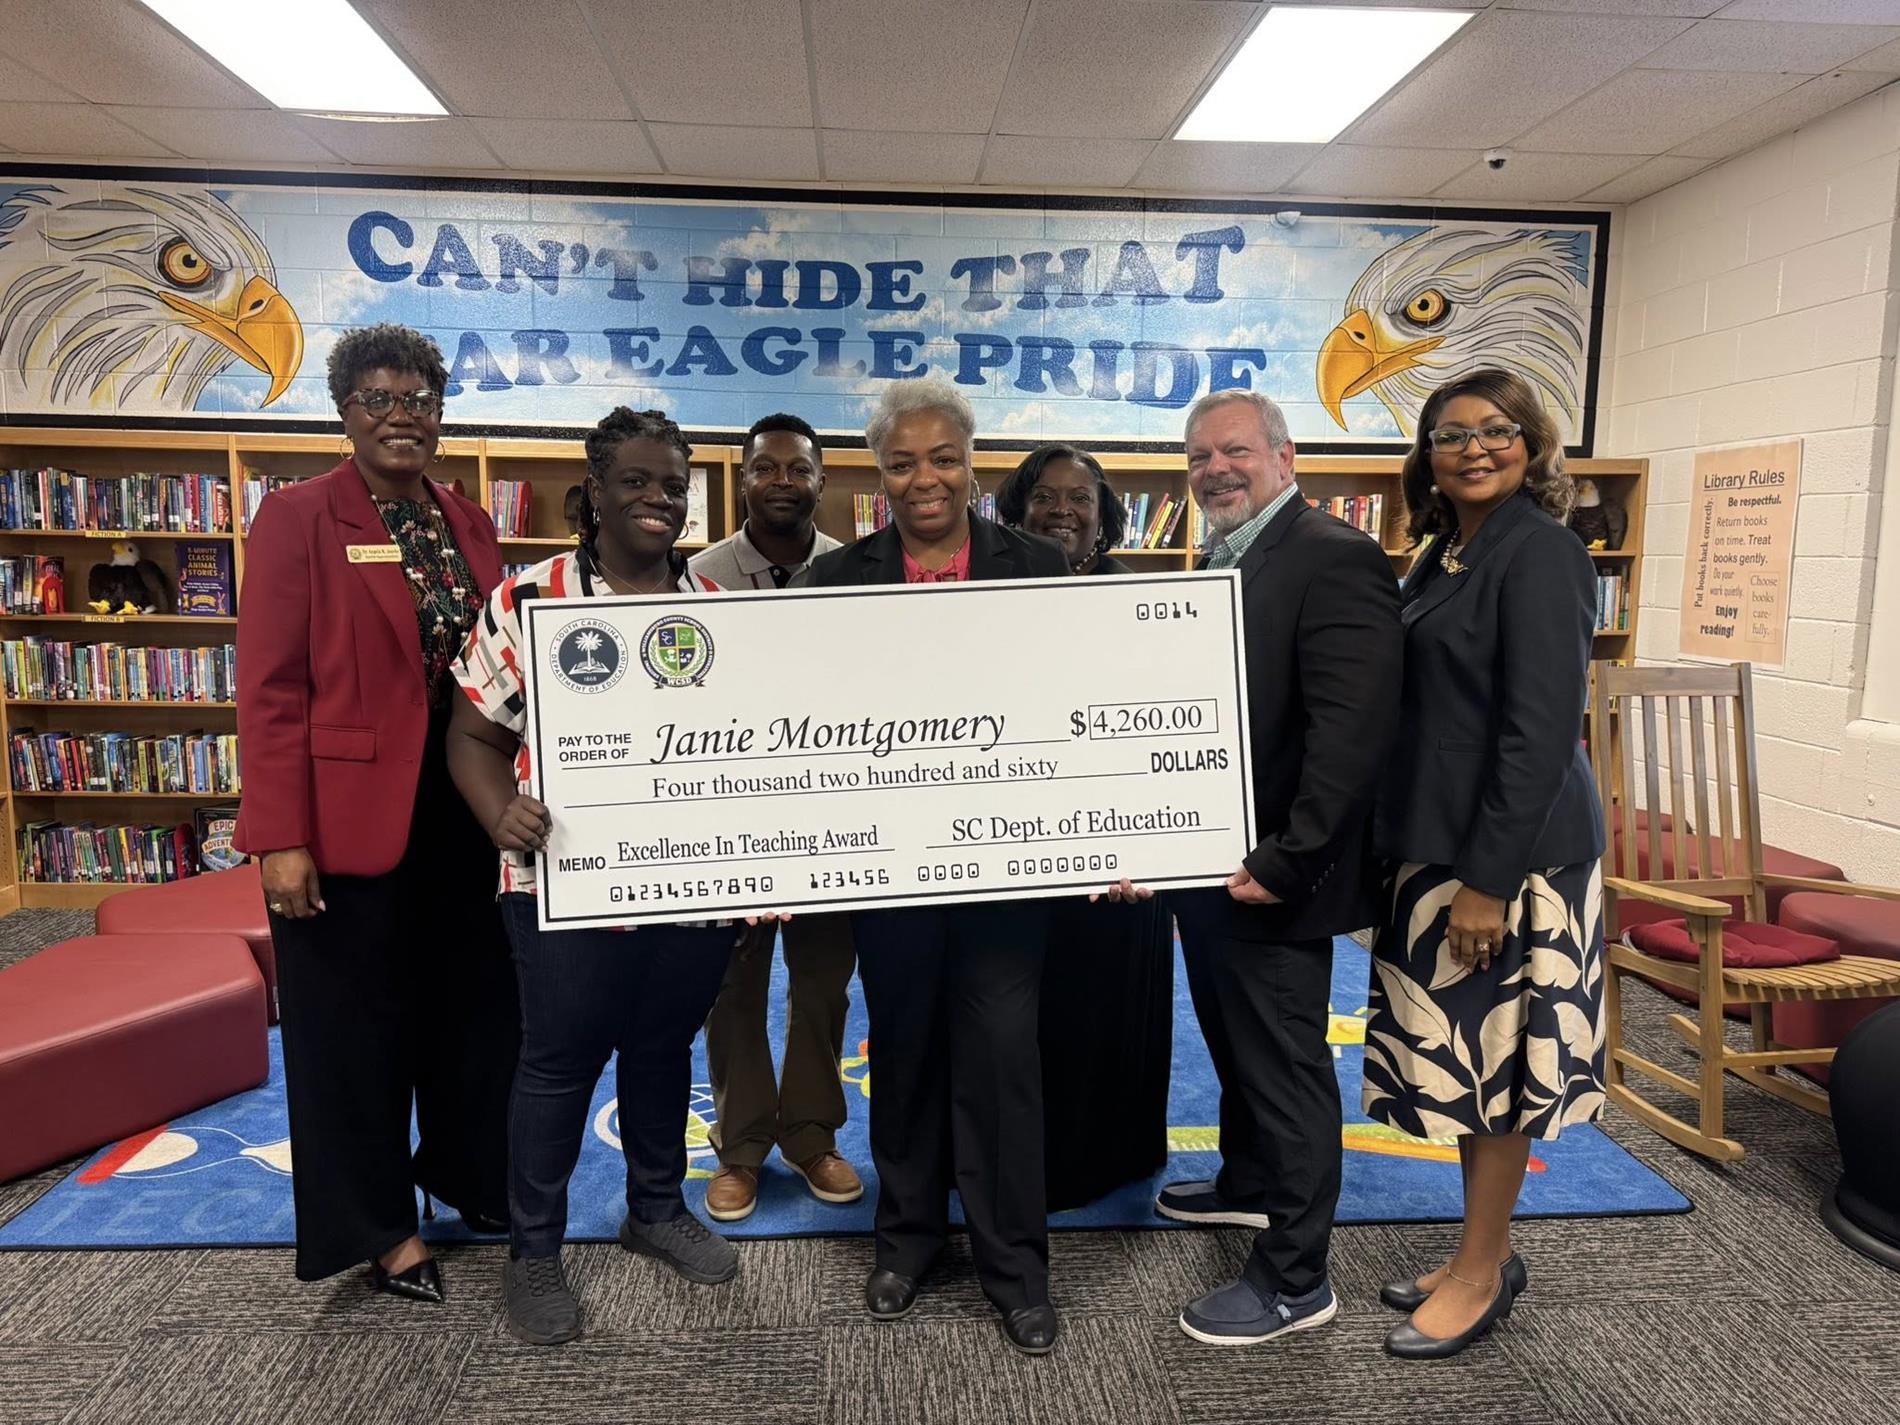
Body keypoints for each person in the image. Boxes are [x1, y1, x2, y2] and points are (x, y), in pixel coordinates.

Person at [235, 322, 518, 1301]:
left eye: (420, 401)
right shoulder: (296, 518)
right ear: (345, 412)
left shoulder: (469, 521)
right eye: (379, 401)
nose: (402, 418)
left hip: (466, 807)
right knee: (352, 1033)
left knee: (477, 1012)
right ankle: (382, 1230)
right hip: (346, 818)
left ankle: (471, 1175)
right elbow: (268, 688)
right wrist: (279, 837)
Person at [448, 407, 742, 1347]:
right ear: (594, 494)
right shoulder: (529, 600)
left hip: (690, 886)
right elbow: (473, 735)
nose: (658, 499)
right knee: (560, 1060)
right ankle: (534, 1250)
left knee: (663, 1048)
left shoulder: (721, 611)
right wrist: (500, 809)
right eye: (637, 481)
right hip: (557, 883)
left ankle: (653, 1207)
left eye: (672, 484)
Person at [796, 379, 1070, 1355]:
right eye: (903, 462)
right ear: (879, 475)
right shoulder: (832, 583)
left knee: (1001, 1060)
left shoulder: (1041, 568)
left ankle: (1013, 1264)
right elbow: (805, 730)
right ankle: (906, 1240)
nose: (925, 479)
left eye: (942, 458)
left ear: (972, 464)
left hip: (1005, 879)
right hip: (890, 877)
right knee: (904, 1051)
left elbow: (1076, 713)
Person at [1364, 368, 1606, 1359]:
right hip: (1441, 848)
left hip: (1509, 865)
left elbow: (1538, 731)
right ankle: (1481, 1245)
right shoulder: (1445, 553)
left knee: (1498, 1072)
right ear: (1424, 454)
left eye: (1496, 430)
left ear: (1531, 442)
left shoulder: (1540, 553)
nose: (1473, 447)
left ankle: (1479, 1271)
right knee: (1463, 1074)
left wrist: (1487, 882)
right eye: (1449, 432)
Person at [1157, 389, 1401, 1346]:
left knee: (1288, 1064)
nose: (1215, 469)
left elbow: (1352, 732)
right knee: (1233, 1041)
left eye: (1235, 451)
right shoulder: (1223, 557)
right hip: (1209, 867)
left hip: (1274, 872)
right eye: (1199, 458)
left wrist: (1291, 858)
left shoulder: (1335, 558)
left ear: (1285, 457)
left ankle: (1297, 1275)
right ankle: (1250, 1184)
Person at [690, 414, 861, 1223]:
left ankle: (814, 1134)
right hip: (735, 819)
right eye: (766, 468)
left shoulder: (858, 571)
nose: (783, 481)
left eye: (799, 469)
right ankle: (743, 1146)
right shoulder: (698, 577)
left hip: (834, 818)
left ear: (822, 480)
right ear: (744, 477)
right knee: (735, 986)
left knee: (824, 982)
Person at [996, 444, 1172, 1210]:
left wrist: (1150, 845)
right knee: (1016, 1012)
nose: (1061, 510)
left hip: (1117, 858)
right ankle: (1009, 1158)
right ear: (1018, 508)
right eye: (1045, 497)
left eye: (1080, 499)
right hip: (1012, 848)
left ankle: (1104, 1160)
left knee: (1100, 1004)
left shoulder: (1141, 607)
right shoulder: (985, 593)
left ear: (1105, 519)